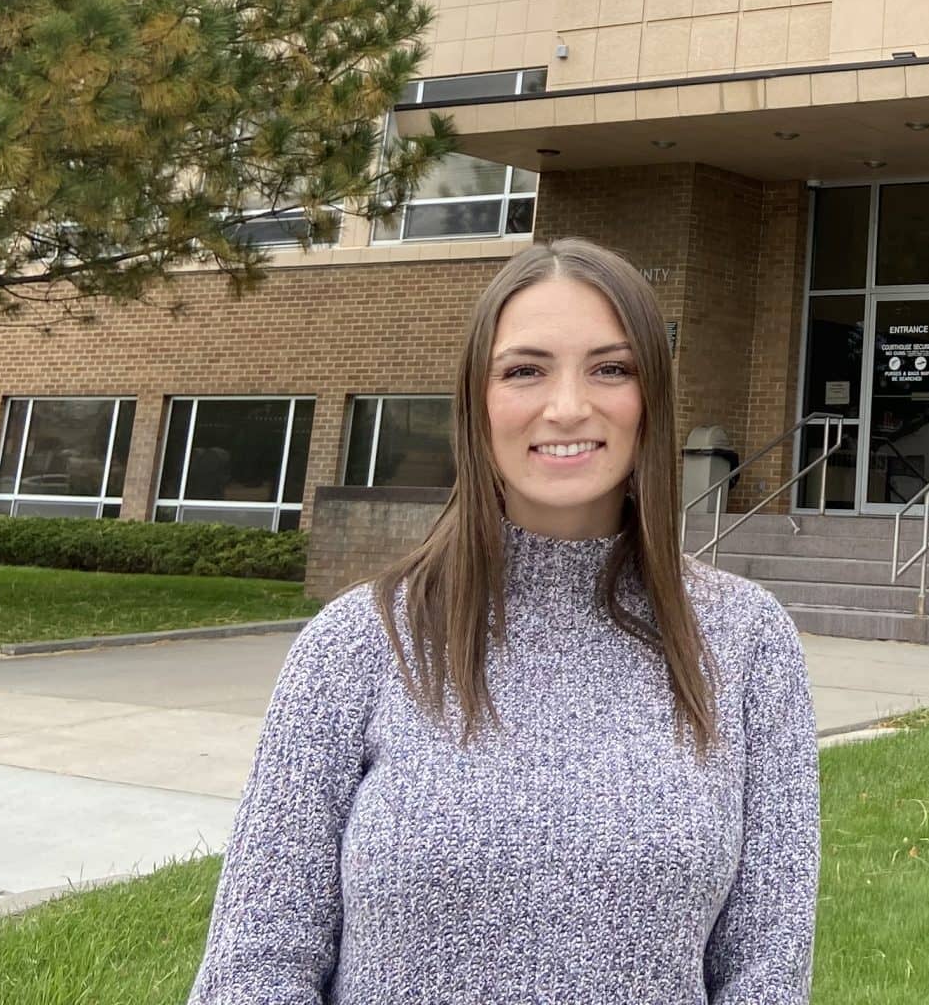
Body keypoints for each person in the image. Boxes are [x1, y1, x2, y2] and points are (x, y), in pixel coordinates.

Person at [189, 237, 819, 1004]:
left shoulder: (746, 641)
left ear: (651, 396)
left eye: (610, 369)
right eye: (525, 370)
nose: (567, 406)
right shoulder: (359, 643)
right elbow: (257, 967)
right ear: (476, 402)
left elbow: (766, 974)